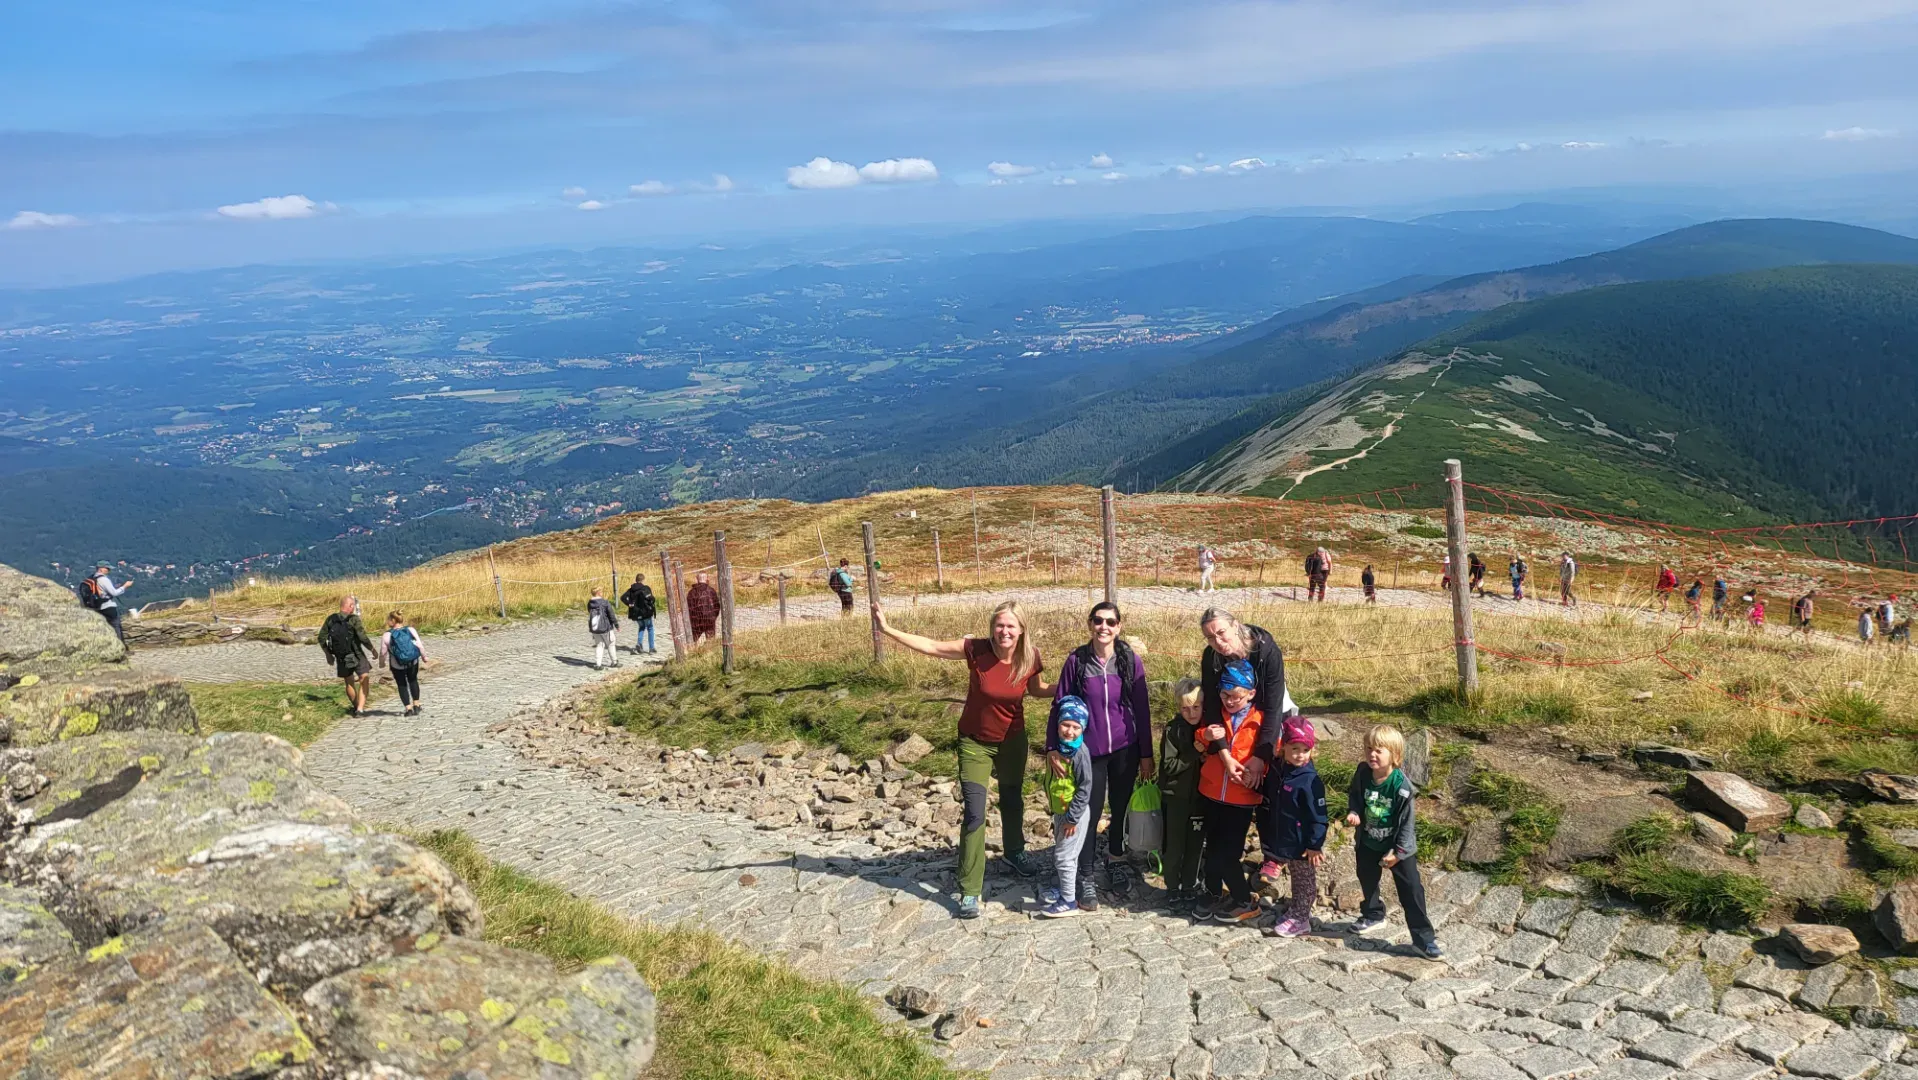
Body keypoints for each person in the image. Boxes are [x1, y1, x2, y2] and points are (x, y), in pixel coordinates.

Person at [874, 600, 1050, 919]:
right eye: (999, 625)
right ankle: (969, 889)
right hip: (974, 743)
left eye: (1011, 626)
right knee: (974, 813)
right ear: (991, 626)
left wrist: (1073, 688)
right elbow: (931, 646)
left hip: (1013, 740)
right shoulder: (975, 650)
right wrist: (888, 630)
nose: (1004, 631)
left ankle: (1014, 853)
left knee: (1012, 799)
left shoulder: (1031, 657)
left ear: (1021, 629)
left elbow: (1037, 690)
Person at [1046, 601, 1155, 909]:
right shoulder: (1077, 661)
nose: (1103, 627)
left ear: (1119, 627)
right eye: (1098, 621)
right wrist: (1053, 746)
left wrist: (1146, 753)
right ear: (1090, 624)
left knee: (1120, 808)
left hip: (1125, 747)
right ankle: (1086, 875)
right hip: (1087, 752)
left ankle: (1117, 858)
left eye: (1110, 622)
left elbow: (1143, 710)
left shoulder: (1129, 660)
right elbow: (1059, 705)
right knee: (1086, 814)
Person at [1198, 607, 1298, 883]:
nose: (1218, 641)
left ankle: (1274, 857)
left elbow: (1274, 706)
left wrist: (1261, 756)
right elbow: (1212, 709)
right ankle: (1224, 852)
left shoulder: (1266, 651)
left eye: (1221, 632)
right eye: (1210, 637)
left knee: (1271, 790)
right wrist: (1225, 754)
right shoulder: (1212, 658)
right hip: (1234, 722)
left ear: (1235, 625)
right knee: (1238, 784)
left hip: (1270, 718)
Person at [1346, 725, 1442, 959]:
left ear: (1395, 755)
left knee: (1411, 890)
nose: (1372, 754)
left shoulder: (1402, 787)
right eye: (1369, 748)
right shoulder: (1362, 773)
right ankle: (1373, 914)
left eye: (1379, 750)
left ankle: (1424, 940)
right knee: (1366, 878)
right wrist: (1354, 811)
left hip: (1397, 847)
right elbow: (1355, 795)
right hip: (1369, 840)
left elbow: (1407, 824)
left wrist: (1398, 853)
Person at [1196, 659, 1266, 924]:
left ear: (1250, 693)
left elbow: (1270, 753)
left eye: (1235, 696)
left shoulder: (1260, 720)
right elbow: (1199, 739)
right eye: (1224, 695)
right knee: (1212, 847)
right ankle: (1213, 892)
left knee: (1228, 854)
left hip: (1242, 798)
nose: (1229, 701)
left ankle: (1244, 899)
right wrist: (1205, 736)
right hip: (1212, 791)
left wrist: (1260, 770)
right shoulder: (1217, 714)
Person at [1260, 716, 1327, 939]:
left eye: (1305, 749)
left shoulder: (1309, 780)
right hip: (1288, 838)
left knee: (1304, 880)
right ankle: (1296, 909)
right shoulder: (1281, 769)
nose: (1300, 754)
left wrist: (1315, 845)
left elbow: (1319, 816)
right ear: (1284, 747)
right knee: (1297, 877)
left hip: (1304, 844)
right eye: (1294, 748)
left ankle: (1301, 918)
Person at [1038, 696, 1095, 919]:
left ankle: (1068, 900)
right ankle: (1064, 889)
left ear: (1083, 728)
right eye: (1065, 725)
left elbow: (1084, 787)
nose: (1070, 731)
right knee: (1061, 853)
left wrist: (1072, 818)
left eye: (1076, 727)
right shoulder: (1058, 749)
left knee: (1064, 857)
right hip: (1061, 811)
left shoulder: (1080, 753)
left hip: (1075, 815)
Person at [1157, 678, 1208, 913]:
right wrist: (1194, 753)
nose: (1191, 712)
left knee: (1195, 846)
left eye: (1196, 707)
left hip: (1200, 798)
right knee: (1174, 847)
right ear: (1178, 707)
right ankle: (1172, 888)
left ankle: (1190, 886)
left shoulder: (1208, 728)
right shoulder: (1172, 730)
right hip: (1175, 797)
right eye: (1185, 708)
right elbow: (1169, 766)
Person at [319, 595, 376, 717]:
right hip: (356, 654)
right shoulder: (354, 619)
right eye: (353, 606)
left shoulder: (330, 619)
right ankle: (360, 709)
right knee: (364, 678)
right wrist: (372, 649)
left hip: (341, 656)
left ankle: (356, 707)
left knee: (349, 682)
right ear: (350, 606)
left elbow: (321, 638)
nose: (353, 608)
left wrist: (328, 655)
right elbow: (362, 637)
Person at [378, 611, 427, 716]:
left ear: (393, 621)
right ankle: (417, 705)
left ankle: (408, 709)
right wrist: (424, 657)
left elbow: (383, 652)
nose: (387, 621)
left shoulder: (387, 635)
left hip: (396, 664)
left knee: (401, 684)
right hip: (412, 661)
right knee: (413, 680)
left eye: (388, 619)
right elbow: (419, 644)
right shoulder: (410, 630)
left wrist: (381, 663)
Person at [82, 564, 134, 642]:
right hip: (108, 607)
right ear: (100, 569)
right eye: (107, 568)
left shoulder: (92, 578)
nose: (108, 570)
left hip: (97, 607)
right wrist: (125, 586)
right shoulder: (103, 579)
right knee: (116, 626)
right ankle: (121, 646)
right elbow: (114, 593)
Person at [620, 573, 658, 655]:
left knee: (641, 627)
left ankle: (639, 644)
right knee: (650, 628)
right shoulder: (646, 588)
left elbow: (622, 597)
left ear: (636, 580)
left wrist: (629, 604)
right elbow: (651, 599)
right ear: (643, 580)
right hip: (646, 612)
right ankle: (651, 648)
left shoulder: (631, 590)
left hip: (636, 613)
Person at [588, 586, 621, 669]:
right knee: (611, 644)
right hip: (606, 627)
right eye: (601, 592)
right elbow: (611, 615)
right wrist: (616, 625)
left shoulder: (590, 603)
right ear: (599, 593)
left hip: (595, 627)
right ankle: (614, 662)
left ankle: (598, 664)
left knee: (599, 645)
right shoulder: (605, 602)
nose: (602, 593)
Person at [686, 572, 720, 644]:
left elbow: (688, 608)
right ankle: (710, 653)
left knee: (693, 641)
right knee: (711, 641)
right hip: (709, 619)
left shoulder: (691, 592)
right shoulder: (711, 591)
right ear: (707, 579)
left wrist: (692, 619)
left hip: (696, 620)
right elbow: (717, 606)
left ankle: (693, 652)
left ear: (697, 579)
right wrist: (713, 617)